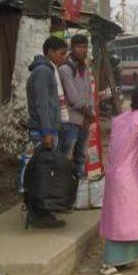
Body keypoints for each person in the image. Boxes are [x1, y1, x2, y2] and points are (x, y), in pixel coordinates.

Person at [98, 84, 138, 275]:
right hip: (130, 175)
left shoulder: (121, 118)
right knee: (124, 219)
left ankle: (124, 257)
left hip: (116, 173)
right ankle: (108, 263)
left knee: (125, 216)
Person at [23, 36, 68, 228]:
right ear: (50, 51)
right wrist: (47, 132)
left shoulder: (47, 70)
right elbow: (43, 104)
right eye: (61, 53)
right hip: (44, 132)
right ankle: (38, 214)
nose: (63, 57)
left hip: (47, 130)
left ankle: (43, 212)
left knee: (44, 174)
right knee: (43, 176)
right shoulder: (42, 72)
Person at [57, 34, 95, 180]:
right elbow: (73, 99)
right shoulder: (65, 69)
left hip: (84, 119)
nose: (83, 50)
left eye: (85, 47)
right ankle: (62, 186)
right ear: (71, 48)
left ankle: (79, 184)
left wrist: (89, 114)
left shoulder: (84, 68)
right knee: (65, 155)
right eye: (79, 47)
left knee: (80, 155)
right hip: (70, 121)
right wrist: (89, 114)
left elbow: (89, 92)